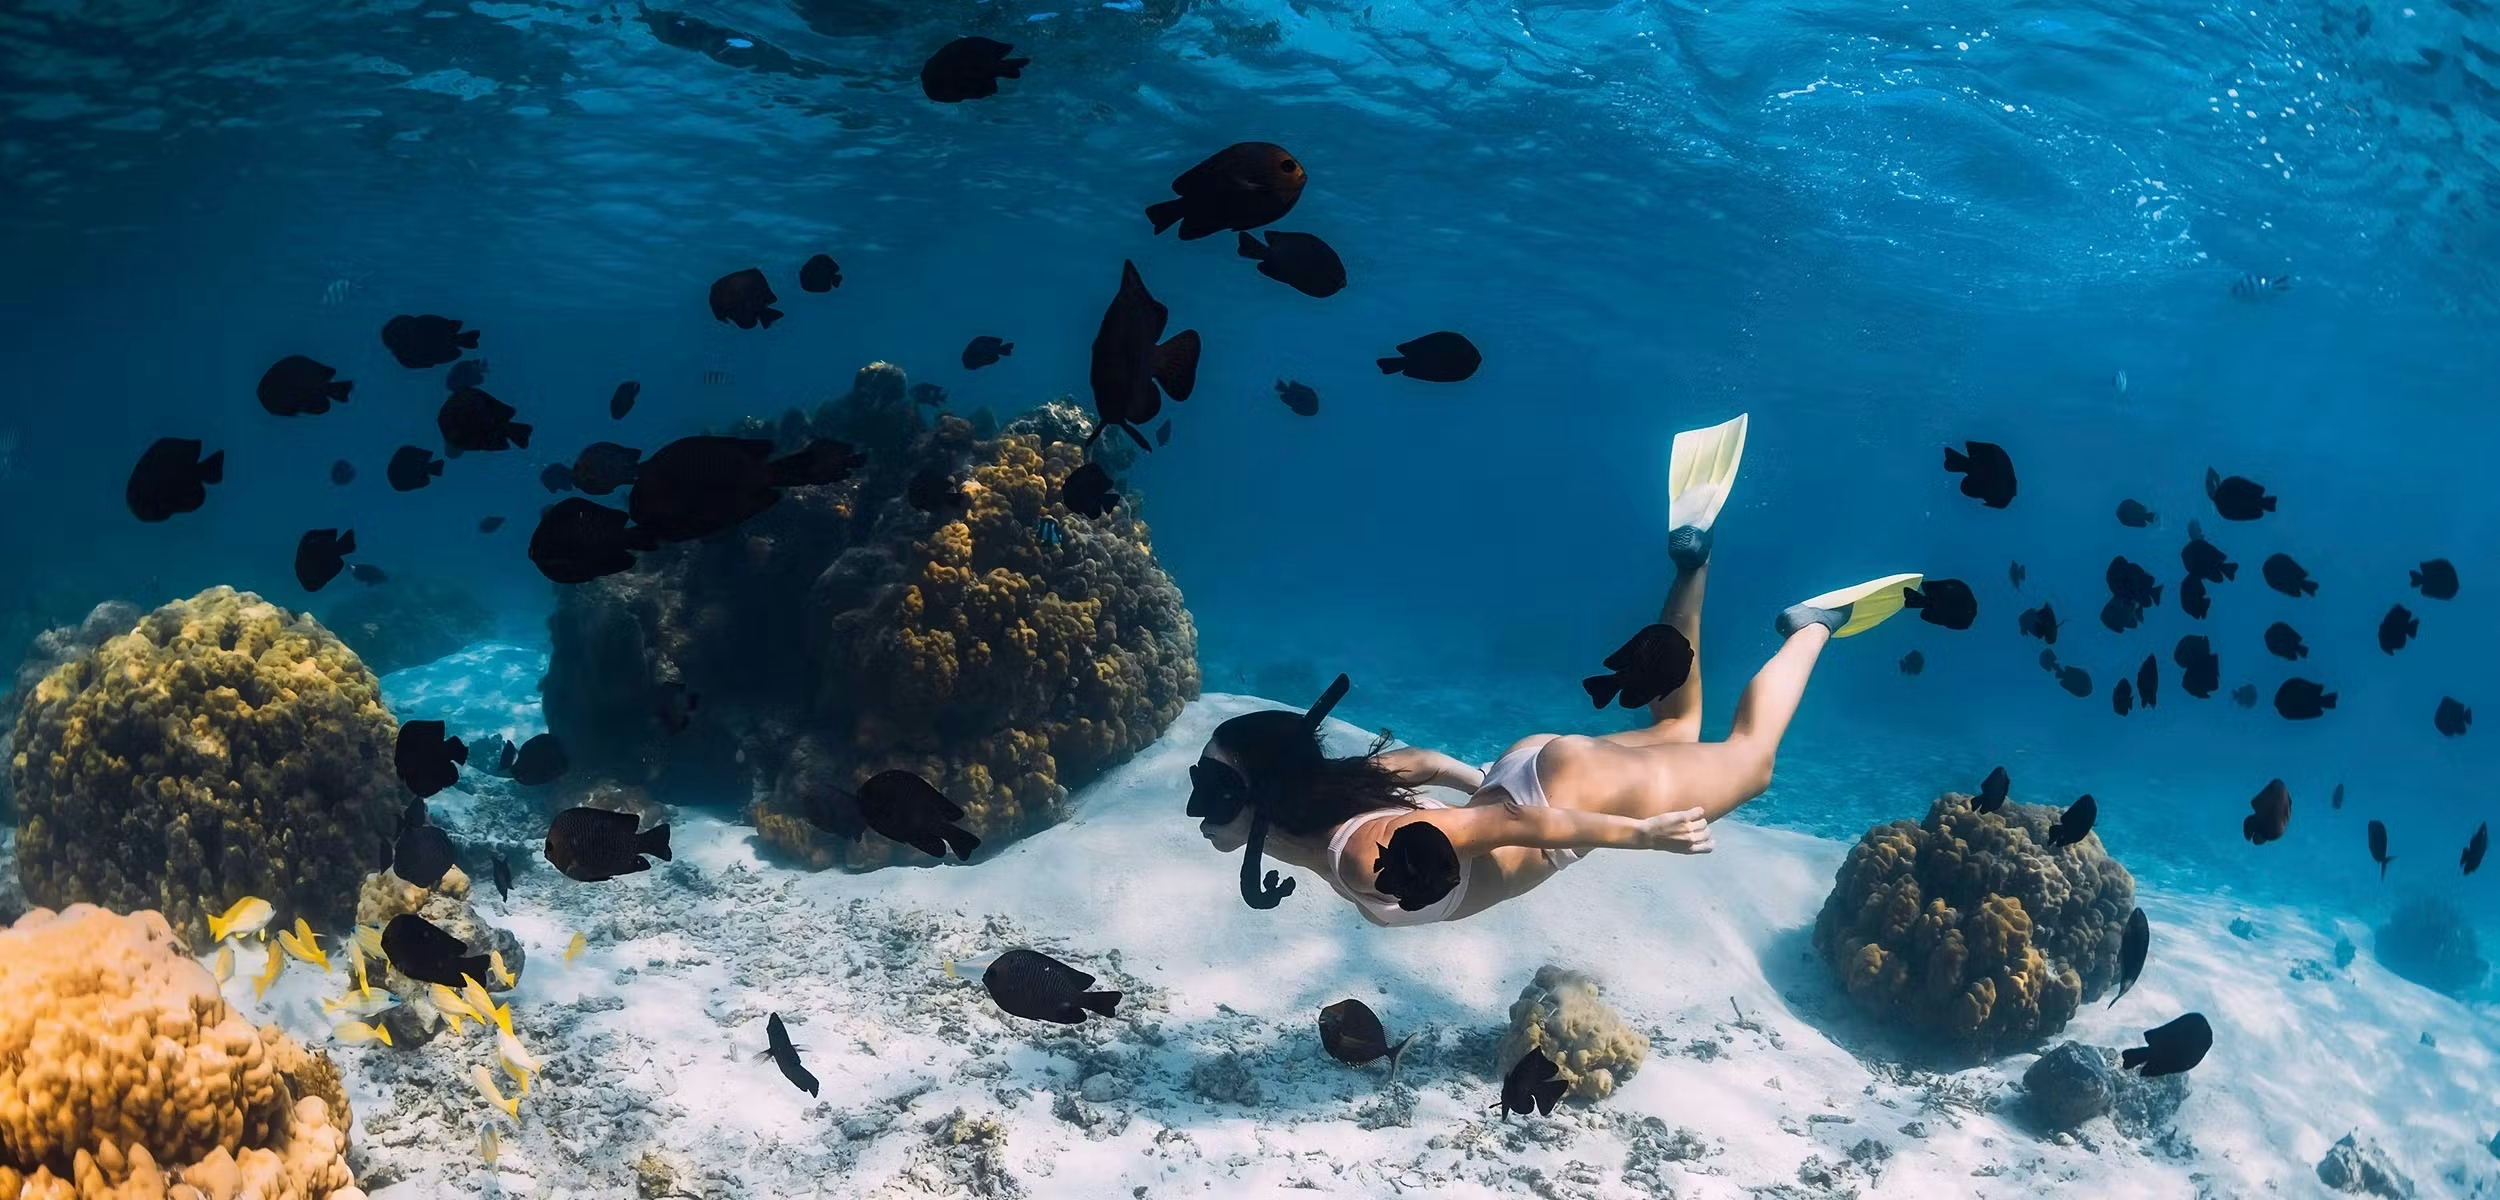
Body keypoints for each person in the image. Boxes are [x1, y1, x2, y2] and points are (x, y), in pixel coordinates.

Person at [1188, 414, 1923, 923]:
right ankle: (1693, 555)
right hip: (1529, 764)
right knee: (1679, 723)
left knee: (1752, 761)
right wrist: (1474, 781)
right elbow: (1426, 763)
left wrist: (1645, 837)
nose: (1200, 805)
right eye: (1204, 783)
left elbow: (1514, 821)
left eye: (1214, 786)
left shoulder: (1360, 855)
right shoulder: (1329, 806)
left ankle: (1810, 629)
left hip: (1556, 791)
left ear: (1269, 791)